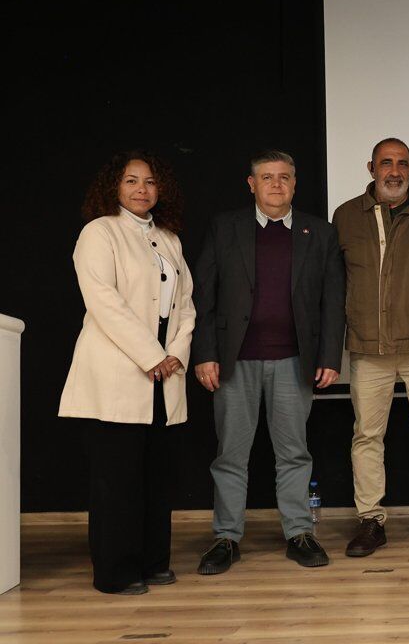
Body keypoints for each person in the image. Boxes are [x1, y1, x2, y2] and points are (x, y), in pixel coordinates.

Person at [191, 150, 345, 575]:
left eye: (284, 177)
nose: (276, 184)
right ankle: (226, 537)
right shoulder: (225, 228)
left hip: (294, 360)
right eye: (267, 177)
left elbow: (333, 301)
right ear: (251, 184)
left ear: (295, 184)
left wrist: (329, 356)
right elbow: (204, 295)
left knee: (294, 453)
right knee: (230, 455)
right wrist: (205, 353)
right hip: (234, 361)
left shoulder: (320, 232)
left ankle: (299, 533)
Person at [60, 150, 195, 594]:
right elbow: (104, 301)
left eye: (150, 182)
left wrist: (175, 354)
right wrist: (151, 355)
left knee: (156, 475)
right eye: (131, 181)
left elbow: (185, 306)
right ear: (114, 187)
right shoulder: (99, 232)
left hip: (163, 375)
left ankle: (154, 562)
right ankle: (116, 572)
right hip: (119, 371)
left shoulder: (169, 239)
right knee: (117, 480)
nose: (142, 189)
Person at [332, 138, 409, 557]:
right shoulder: (346, 216)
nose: (394, 171)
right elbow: (335, 283)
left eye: (402, 163)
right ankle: (371, 521)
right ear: (371, 168)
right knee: (367, 436)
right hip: (368, 347)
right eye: (386, 163)